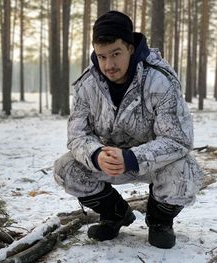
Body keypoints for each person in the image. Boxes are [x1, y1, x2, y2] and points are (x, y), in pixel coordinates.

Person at [54, 10, 204, 249]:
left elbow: (178, 140)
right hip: (108, 161)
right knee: (66, 168)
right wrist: (96, 154)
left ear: (131, 48)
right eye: (102, 56)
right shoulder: (87, 85)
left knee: (185, 171)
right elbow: (77, 136)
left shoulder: (160, 80)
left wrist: (133, 157)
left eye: (115, 54)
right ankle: (115, 214)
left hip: (154, 163)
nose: (109, 65)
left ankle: (159, 221)